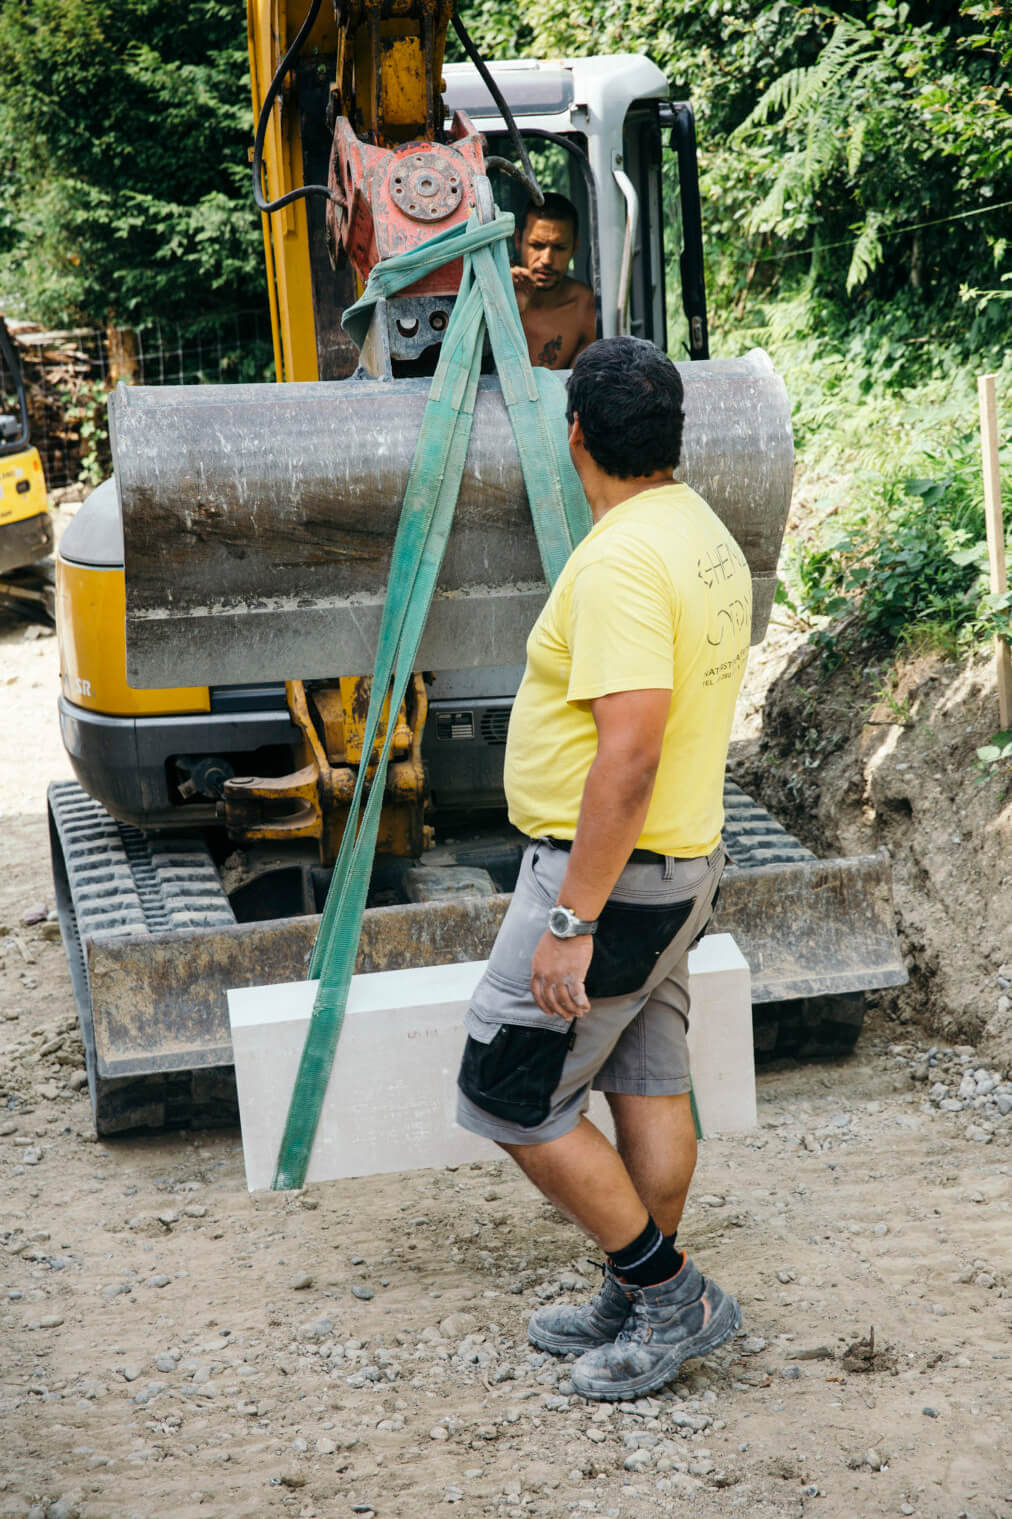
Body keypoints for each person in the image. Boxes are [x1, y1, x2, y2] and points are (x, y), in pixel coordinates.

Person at [455, 335, 753, 1402]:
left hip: (615, 882)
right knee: (644, 1078)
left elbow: (626, 755)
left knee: (509, 1093)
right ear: (671, 434)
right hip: (681, 867)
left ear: (572, 434)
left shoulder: (623, 559)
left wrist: (570, 919)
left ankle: (672, 1294)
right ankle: (634, 1299)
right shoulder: (697, 528)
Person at [511, 192, 596, 370]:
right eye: (537, 245)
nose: (547, 259)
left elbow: (579, 388)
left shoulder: (584, 307)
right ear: (518, 241)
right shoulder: (489, 286)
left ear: (574, 248)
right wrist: (507, 311)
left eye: (559, 247)